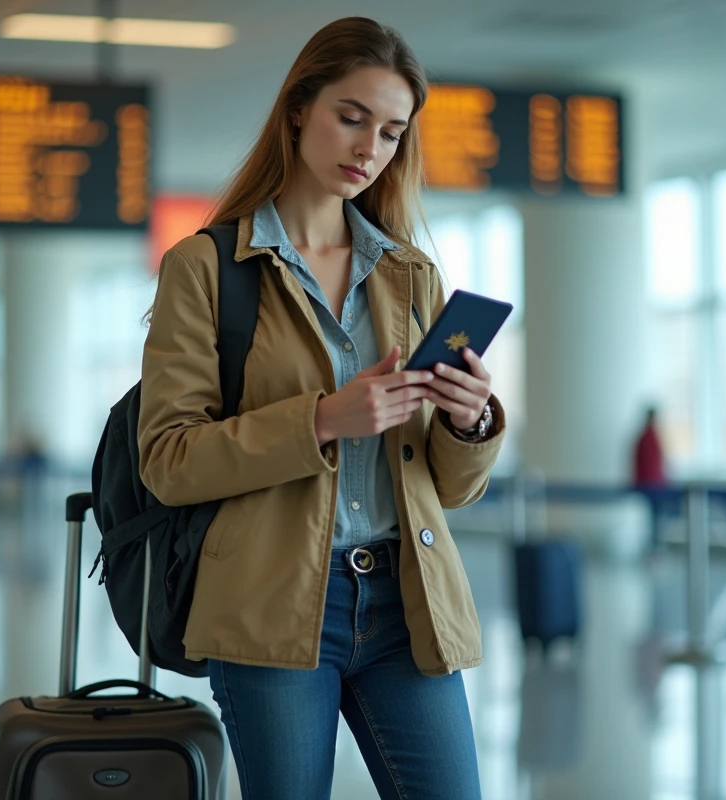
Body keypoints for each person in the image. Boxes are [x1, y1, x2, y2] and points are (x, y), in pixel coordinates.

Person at [136, 17, 504, 799]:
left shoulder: (410, 277)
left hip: (408, 600)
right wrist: (322, 420)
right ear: (299, 107)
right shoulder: (207, 268)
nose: (370, 147)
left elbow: (450, 486)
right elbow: (168, 460)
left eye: (392, 131)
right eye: (352, 116)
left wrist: (470, 423)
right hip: (271, 604)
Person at [633, 407, 669, 552]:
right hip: (652, 486)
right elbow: (651, 465)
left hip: (652, 485)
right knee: (655, 519)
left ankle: (655, 547)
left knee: (655, 519)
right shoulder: (648, 437)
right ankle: (654, 548)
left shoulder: (645, 436)